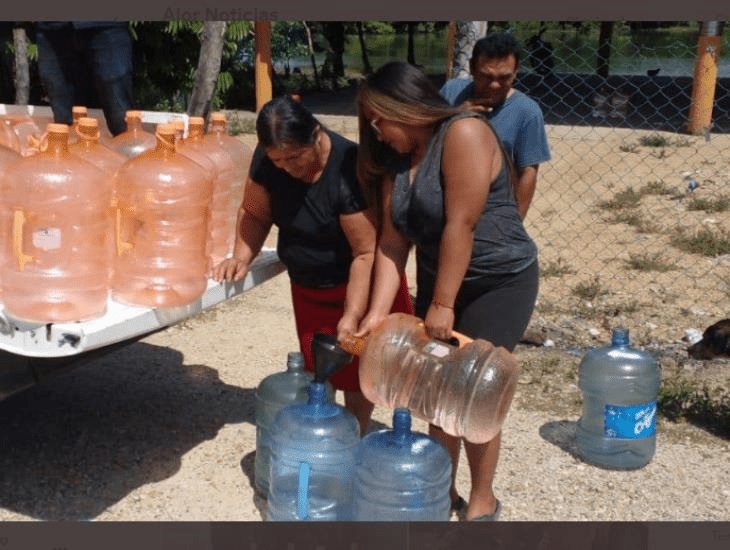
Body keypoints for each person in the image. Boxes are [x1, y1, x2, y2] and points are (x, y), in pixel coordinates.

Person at [354, 62, 539, 521]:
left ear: (405, 108)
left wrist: (441, 304)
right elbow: (393, 243)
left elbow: (463, 222)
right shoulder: (399, 162)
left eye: (379, 122)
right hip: (443, 279)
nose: (376, 134)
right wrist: (377, 313)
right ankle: (443, 492)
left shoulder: (464, 132)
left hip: (498, 280)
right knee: (436, 392)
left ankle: (482, 500)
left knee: (474, 392)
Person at [212, 96, 412, 435]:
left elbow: (364, 253)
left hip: (358, 284)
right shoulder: (268, 158)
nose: (287, 167)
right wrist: (241, 255)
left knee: (363, 371)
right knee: (320, 367)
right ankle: (331, 431)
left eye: (294, 157)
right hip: (309, 287)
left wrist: (352, 313)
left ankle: (355, 436)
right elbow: (255, 212)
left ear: (316, 135)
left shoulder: (347, 165)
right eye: (278, 160)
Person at [440, 32, 551, 220]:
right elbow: (425, 138)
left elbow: (528, 173)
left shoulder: (527, 112)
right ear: (473, 69)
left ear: (516, 72)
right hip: (443, 204)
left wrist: (514, 225)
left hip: (492, 213)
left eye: (504, 77)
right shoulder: (452, 92)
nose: (494, 85)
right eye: (486, 76)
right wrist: (455, 116)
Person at [36, 22, 134, 136]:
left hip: (106, 22)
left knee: (120, 116)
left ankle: (126, 152)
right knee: (63, 122)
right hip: (52, 27)